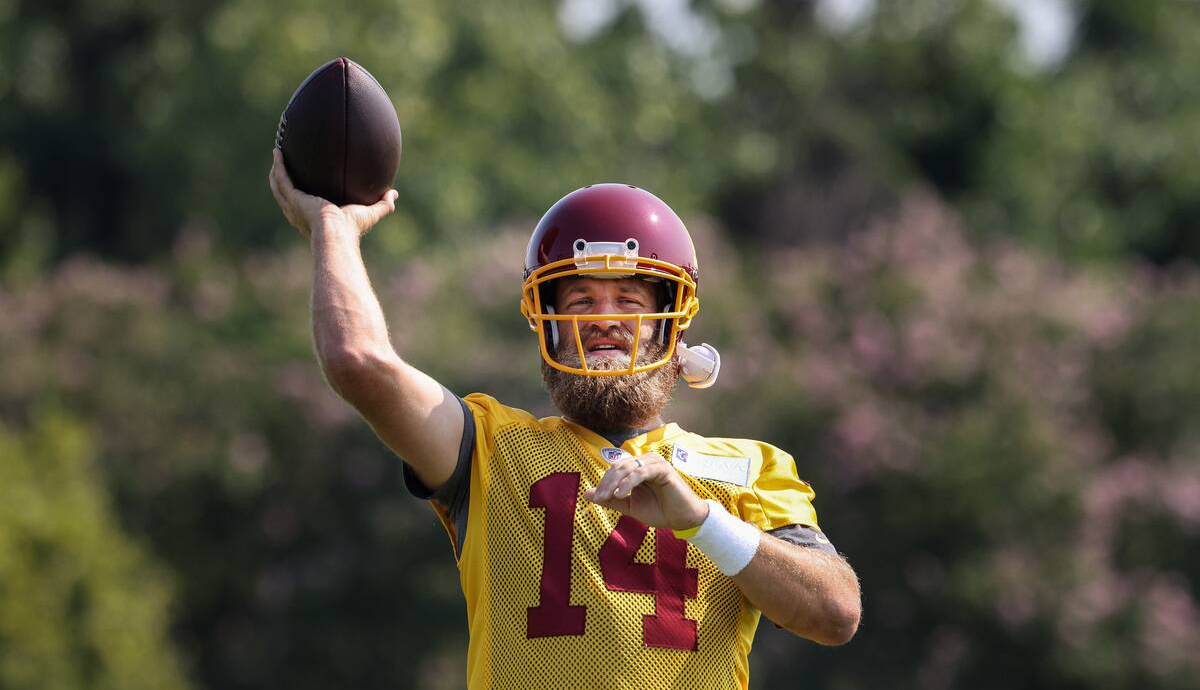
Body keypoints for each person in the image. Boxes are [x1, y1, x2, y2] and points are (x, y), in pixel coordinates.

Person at [269, 150, 861, 690]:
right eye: (580, 302)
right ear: (545, 321)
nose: (604, 320)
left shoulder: (750, 467)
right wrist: (334, 227)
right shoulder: (489, 447)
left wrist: (702, 519)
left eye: (628, 302)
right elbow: (356, 359)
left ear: (671, 325)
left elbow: (836, 614)